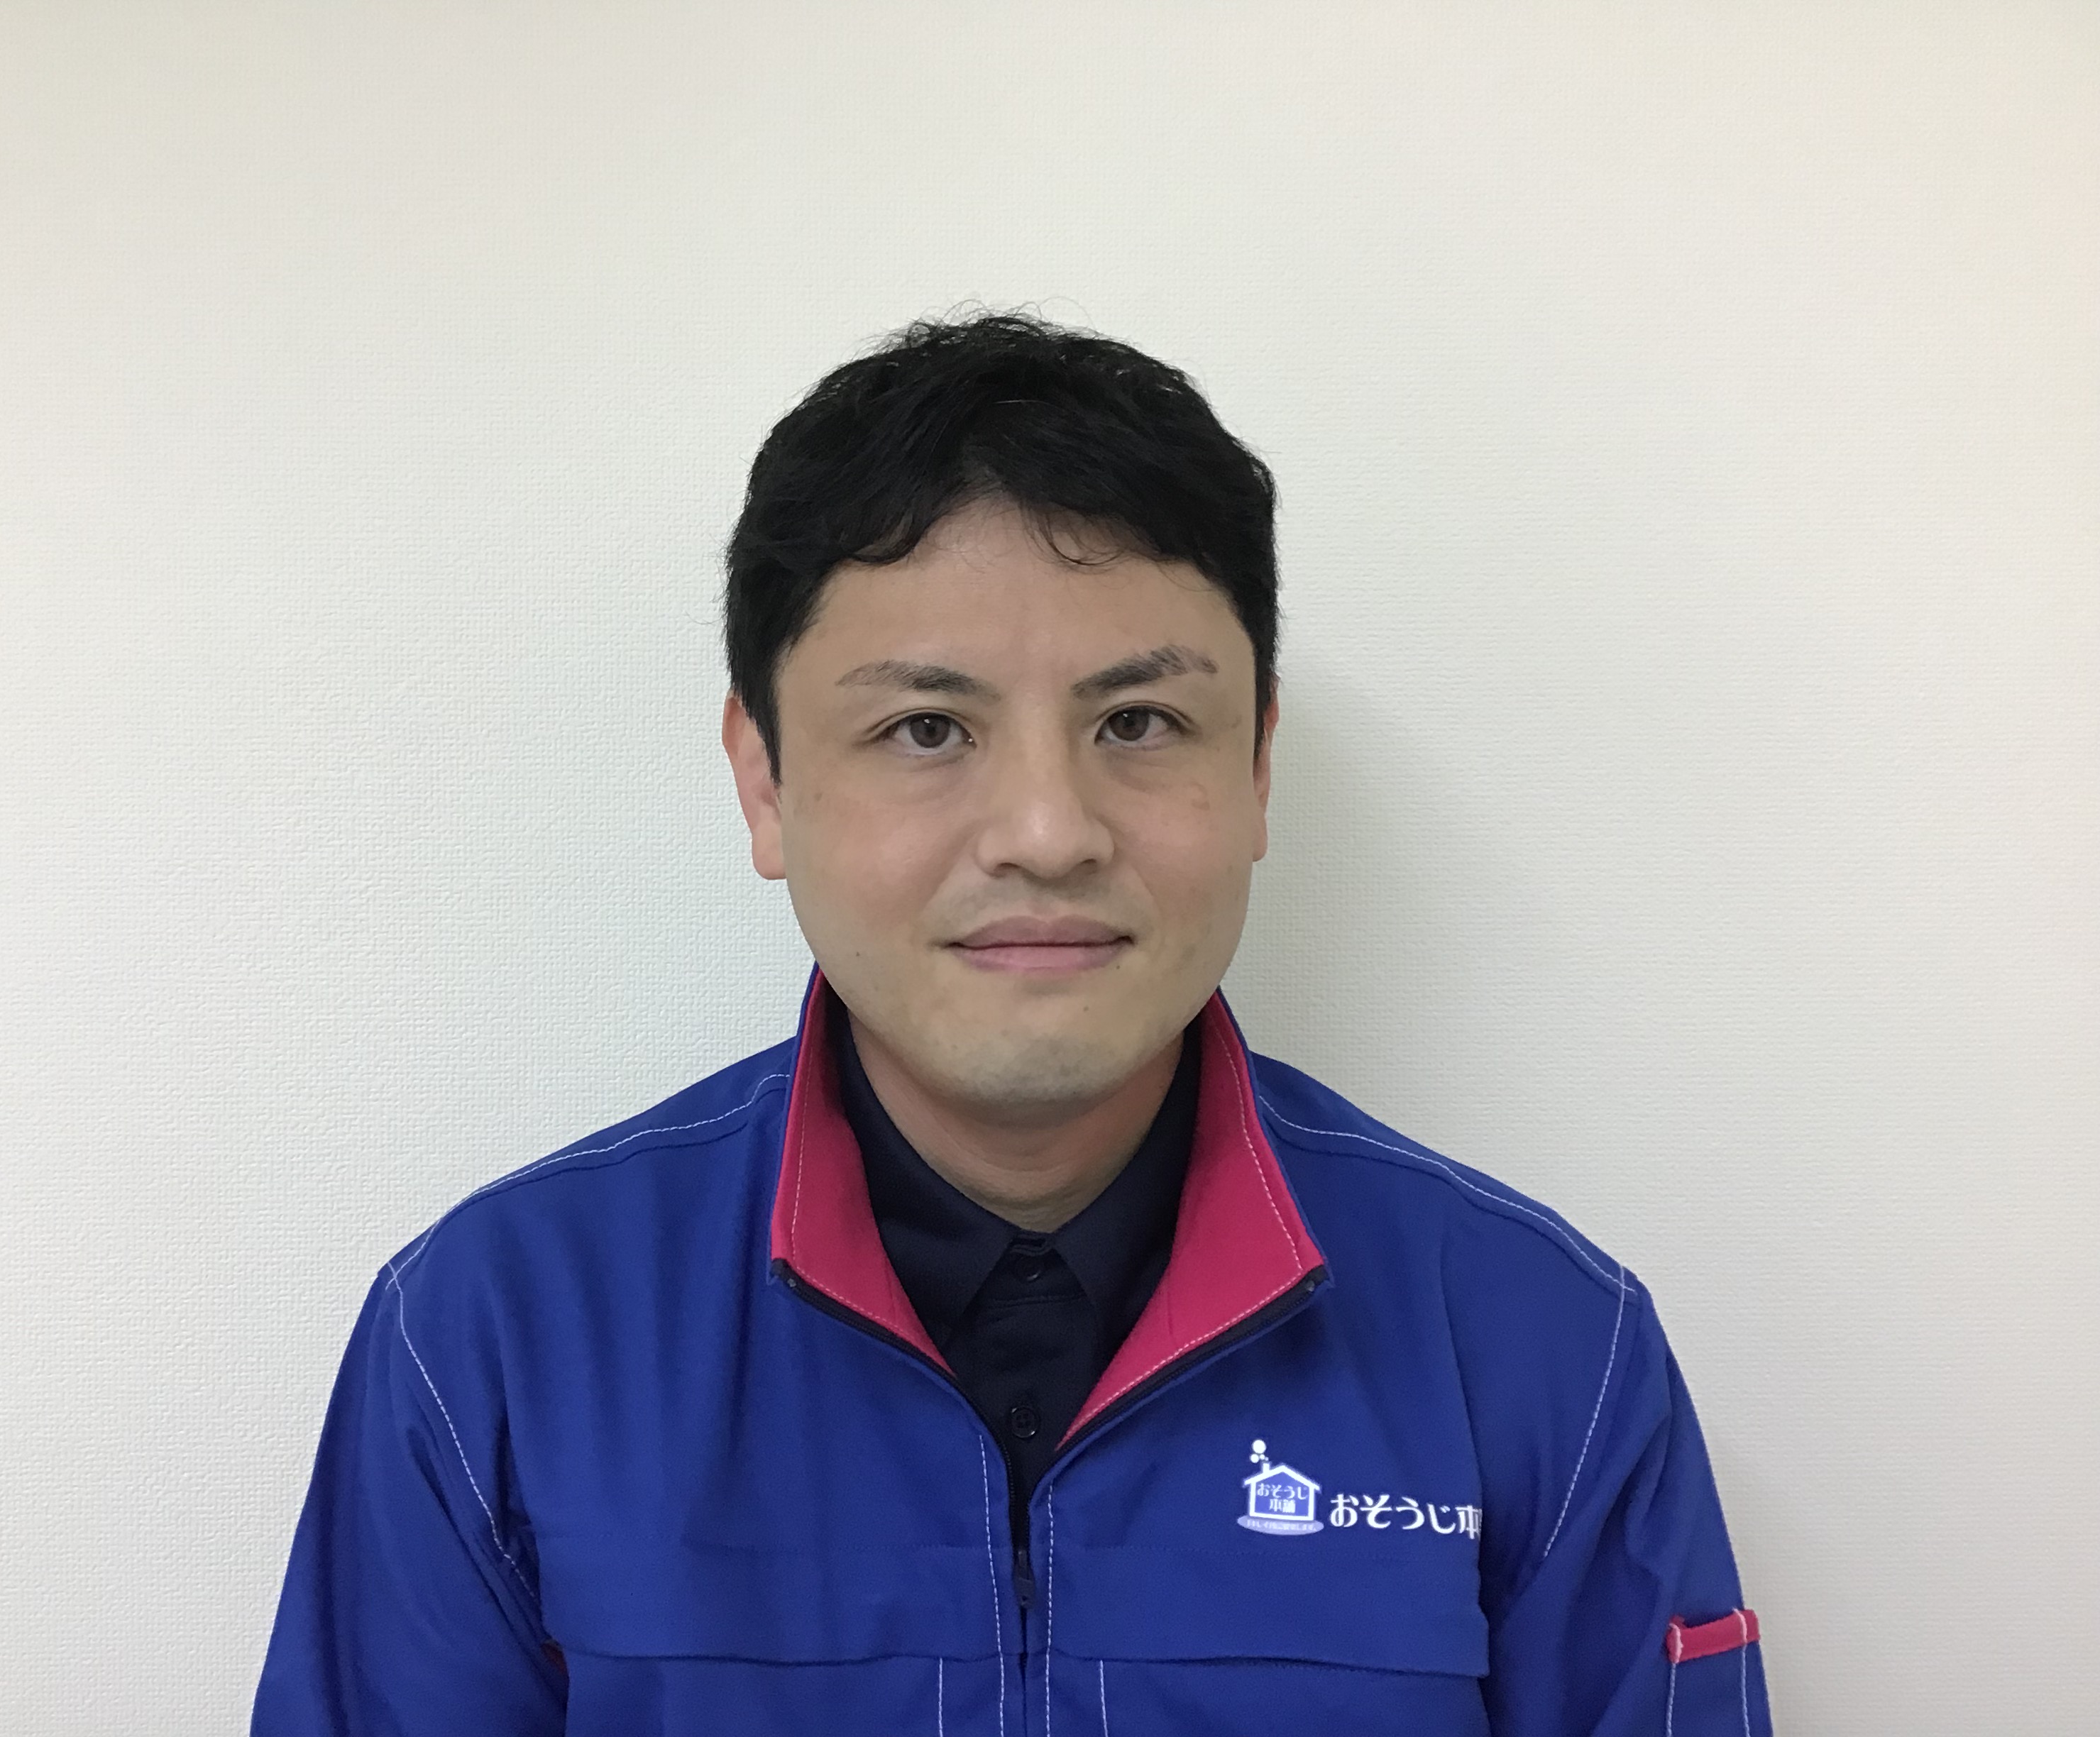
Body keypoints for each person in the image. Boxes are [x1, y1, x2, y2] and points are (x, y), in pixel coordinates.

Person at [253, 313, 1774, 1736]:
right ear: (765, 780)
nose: (1048, 832)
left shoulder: (1543, 1350)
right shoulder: (498, 1341)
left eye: (1138, 723)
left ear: (1256, 771)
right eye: (927, 728)